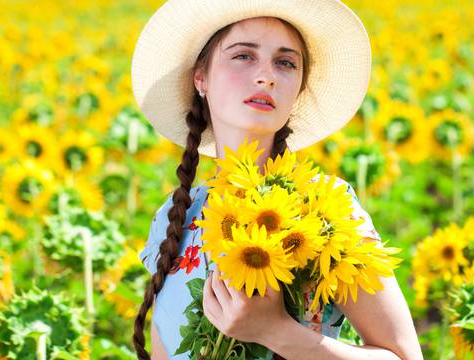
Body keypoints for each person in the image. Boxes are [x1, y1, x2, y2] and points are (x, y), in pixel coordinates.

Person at [131, 1, 423, 359]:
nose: (266, 75)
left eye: (285, 63)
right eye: (243, 56)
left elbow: (405, 356)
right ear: (201, 78)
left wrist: (276, 331)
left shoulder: (328, 211)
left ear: (298, 87)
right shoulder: (175, 218)